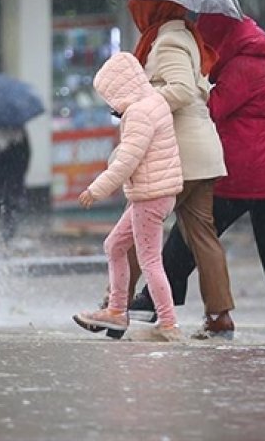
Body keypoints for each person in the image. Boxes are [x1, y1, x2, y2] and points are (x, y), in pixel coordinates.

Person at [128, 14, 265, 343]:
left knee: (192, 231)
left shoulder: (241, 69)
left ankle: (150, 303)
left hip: (244, 175)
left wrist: (188, 86)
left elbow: (211, 110)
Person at [124, 0, 235, 339]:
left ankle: (116, 304)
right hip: (203, 153)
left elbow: (183, 91)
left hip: (178, 153)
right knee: (203, 236)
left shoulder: (168, 40)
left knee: (133, 229)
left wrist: (140, 105)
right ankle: (219, 317)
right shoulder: (189, 36)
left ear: (152, 8)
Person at [72, 53, 184, 342]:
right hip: (158, 193)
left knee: (149, 261)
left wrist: (95, 190)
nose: (110, 104)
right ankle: (117, 311)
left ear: (119, 89)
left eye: (109, 96)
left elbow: (126, 161)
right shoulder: (154, 101)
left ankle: (168, 323)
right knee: (114, 245)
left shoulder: (138, 113)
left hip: (149, 196)